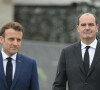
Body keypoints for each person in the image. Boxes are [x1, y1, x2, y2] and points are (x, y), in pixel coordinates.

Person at [52, 12, 100, 90]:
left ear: (97, 27)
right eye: (83, 25)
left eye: (91, 24)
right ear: (78, 28)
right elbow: (59, 85)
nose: (87, 28)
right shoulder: (67, 53)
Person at [0, 22, 39, 90]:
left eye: (18, 40)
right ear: (1, 39)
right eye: (11, 39)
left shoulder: (30, 64)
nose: (15, 43)